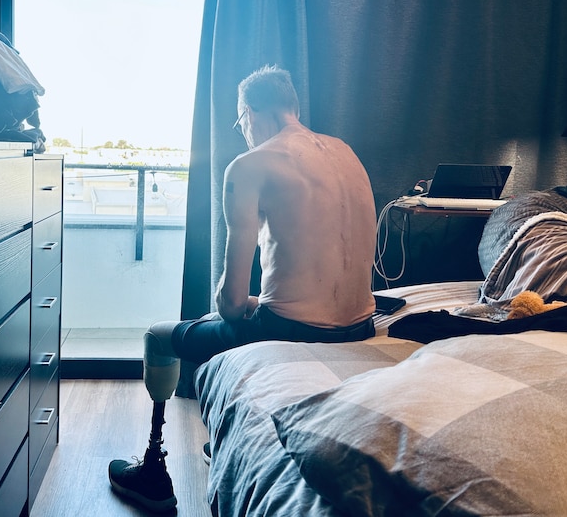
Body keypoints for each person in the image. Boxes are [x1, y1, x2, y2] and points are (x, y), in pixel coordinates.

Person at [108, 64, 378, 513]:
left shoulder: (252, 165)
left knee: (158, 335)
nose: (243, 132)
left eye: (240, 122)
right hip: (361, 329)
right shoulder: (346, 153)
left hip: (291, 330)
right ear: (292, 106)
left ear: (251, 112)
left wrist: (249, 304)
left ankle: (153, 473)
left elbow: (232, 307)